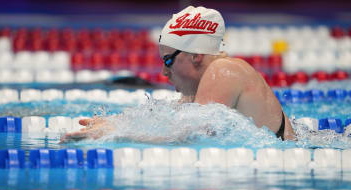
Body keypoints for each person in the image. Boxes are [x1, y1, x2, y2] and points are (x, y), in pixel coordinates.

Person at [61, 6, 295, 143]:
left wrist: (120, 134)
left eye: (168, 60)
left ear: (196, 56)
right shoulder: (203, 88)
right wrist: (115, 122)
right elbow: (167, 120)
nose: (163, 72)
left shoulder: (224, 71)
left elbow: (191, 134)